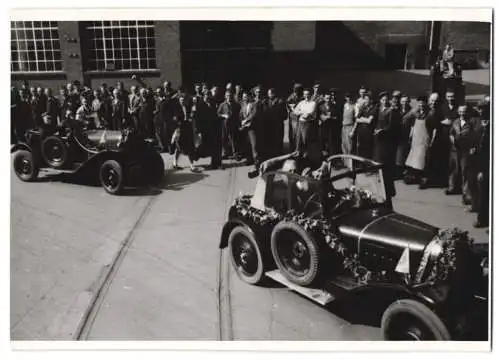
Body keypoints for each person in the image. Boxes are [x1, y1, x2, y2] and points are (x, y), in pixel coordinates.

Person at [373, 92, 400, 197]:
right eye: (383, 99)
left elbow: (390, 126)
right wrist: (376, 130)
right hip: (379, 139)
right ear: (380, 100)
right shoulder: (379, 109)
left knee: (386, 163)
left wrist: (381, 131)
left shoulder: (390, 111)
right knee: (379, 161)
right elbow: (376, 123)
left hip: (386, 140)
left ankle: (389, 189)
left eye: (386, 99)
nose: (384, 101)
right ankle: (382, 184)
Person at [447, 105, 476, 205]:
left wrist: (472, 147)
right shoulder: (455, 122)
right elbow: (451, 133)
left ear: (467, 112)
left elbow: (473, 136)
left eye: (464, 111)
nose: (462, 113)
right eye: (460, 111)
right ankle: (452, 187)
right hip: (455, 149)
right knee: (454, 169)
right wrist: (452, 140)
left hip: (465, 150)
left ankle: (466, 193)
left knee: (465, 170)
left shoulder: (470, 123)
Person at [404, 96, 430, 185]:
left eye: (423, 103)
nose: (421, 105)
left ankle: (423, 179)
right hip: (415, 139)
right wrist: (412, 112)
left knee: (422, 159)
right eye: (419, 103)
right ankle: (414, 177)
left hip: (424, 139)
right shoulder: (415, 112)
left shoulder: (429, 113)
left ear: (426, 103)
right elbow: (406, 120)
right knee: (414, 159)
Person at [171, 94, 197, 171]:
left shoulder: (188, 107)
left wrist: (191, 117)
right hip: (180, 129)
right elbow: (174, 119)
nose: (182, 102)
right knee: (178, 147)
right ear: (179, 101)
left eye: (183, 100)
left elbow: (191, 115)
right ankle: (175, 163)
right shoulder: (176, 109)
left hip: (187, 129)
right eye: (181, 100)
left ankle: (191, 165)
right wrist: (177, 122)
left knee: (190, 146)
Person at [263, 88, 288, 159]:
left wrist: (277, 118)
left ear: (274, 94)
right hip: (269, 126)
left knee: (278, 141)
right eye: (268, 94)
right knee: (271, 141)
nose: (268, 95)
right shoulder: (266, 102)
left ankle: (279, 157)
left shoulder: (280, 102)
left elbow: (285, 115)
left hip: (278, 125)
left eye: (270, 94)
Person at [351, 91, 376, 159]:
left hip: (369, 131)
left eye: (367, 99)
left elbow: (369, 121)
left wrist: (361, 118)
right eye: (365, 99)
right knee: (361, 149)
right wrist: (364, 119)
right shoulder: (362, 107)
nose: (366, 101)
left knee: (368, 149)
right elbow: (357, 119)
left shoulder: (374, 108)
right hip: (361, 131)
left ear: (371, 100)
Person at [293, 88, 318, 154]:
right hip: (300, 123)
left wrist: (300, 112)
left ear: (310, 95)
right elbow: (295, 111)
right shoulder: (301, 103)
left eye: (308, 94)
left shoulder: (313, 103)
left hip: (308, 124)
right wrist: (302, 112)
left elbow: (307, 116)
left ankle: (306, 156)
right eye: (305, 94)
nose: (306, 96)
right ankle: (298, 155)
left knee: (306, 140)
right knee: (298, 140)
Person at [240, 91, 259, 170]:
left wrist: (246, 120)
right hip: (245, 127)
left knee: (254, 145)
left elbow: (253, 114)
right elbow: (241, 114)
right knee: (247, 145)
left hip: (252, 127)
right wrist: (241, 122)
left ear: (249, 97)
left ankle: (256, 162)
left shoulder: (254, 104)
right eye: (243, 97)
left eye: (246, 97)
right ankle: (249, 160)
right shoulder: (243, 105)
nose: (244, 98)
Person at [218, 90, 239, 160]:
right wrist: (224, 115)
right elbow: (218, 114)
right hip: (224, 124)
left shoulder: (235, 104)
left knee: (233, 139)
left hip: (233, 124)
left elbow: (238, 114)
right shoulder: (222, 104)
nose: (229, 97)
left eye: (230, 95)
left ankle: (235, 154)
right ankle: (225, 153)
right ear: (225, 96)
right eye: (227, 95)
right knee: (224, 139)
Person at [395, 94, 413, 177]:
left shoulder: (411, 111)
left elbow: (413, 125)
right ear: (400, 102)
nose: (404, 103)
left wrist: (411, 135)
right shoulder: (397, 110)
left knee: (406, 153)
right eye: (402, 101)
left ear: (409, 102)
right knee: (398, 153)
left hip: (407, 134)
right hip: (398, 134)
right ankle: (398, 172)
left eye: (406, 101)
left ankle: (405, 172)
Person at [286, 83, 303, 150]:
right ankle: (293, 149)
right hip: (294, 117)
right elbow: (289, 106)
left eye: (298, 89)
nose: (296, 91)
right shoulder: (291, 97)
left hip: (299, 117)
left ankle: (298, 148)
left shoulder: (302, 96)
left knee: (299, 134)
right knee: (293, 134)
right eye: (296, 89)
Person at [341, 92, 356, 163]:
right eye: (347, 97)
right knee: (344, 145)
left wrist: (353, 130)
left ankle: (351, 163)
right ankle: (345, 163)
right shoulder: (344, 105)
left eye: (349, 97)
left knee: (350, 145)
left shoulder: (354, 106)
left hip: (350, 126)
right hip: (344, 127)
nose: (348, 98)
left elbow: (356, 120)